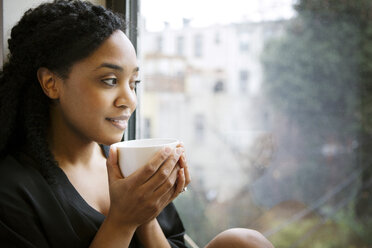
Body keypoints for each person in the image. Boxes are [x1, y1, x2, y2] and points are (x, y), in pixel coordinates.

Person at [0, 1, 274, 247]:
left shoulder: (133, 164)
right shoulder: (13, 190)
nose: (129, 100)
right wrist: (122, 221)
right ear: (51, 83)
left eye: (134, 83)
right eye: (109, 80)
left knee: (244, 241)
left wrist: (147, 213)